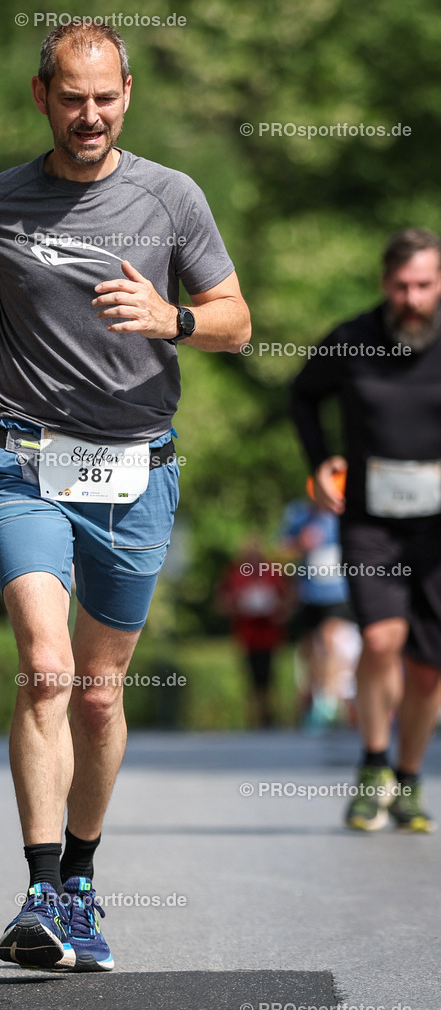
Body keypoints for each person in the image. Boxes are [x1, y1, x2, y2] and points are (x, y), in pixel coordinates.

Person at [0, 23, 250, 971]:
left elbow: (235, 322)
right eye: (71, 97)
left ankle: (78, 880)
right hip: (24, 459)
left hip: (136, 469)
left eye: (105, 97)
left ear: (128, 93)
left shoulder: (171, 197)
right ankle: (35, 893)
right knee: (44, 667)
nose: (89, 115)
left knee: (100, 699)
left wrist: (173, 317)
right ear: (42, 97)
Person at [290, 228, 441, 833]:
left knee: (430, 667)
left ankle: (408, 780)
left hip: (437, 530)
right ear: (385, 284)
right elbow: (301, 396)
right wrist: (320, 462)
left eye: (425, 286)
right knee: (380, 641)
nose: (412, 298)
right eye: (402, 286)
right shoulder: (351, 340)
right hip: (370, 521)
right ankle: (374, 765)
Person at [279, 498, 358, 731]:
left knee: (330, 641)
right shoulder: (298, 514)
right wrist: (299, 544)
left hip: (338, 593)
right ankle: (316, 697)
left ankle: (327, 700)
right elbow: (280, 550)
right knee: (310, 648)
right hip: (309, 593)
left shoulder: (348, 514)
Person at [217, 538, 289, 728]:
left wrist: (278, 609)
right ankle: (255, 716)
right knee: (251, 676)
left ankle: (268, 714)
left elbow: (287, 598)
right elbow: (223, 600)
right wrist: (239, 605)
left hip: (269, 634)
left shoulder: (271, 572)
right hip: (247, 634)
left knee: (268, 675)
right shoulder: (236, 573)